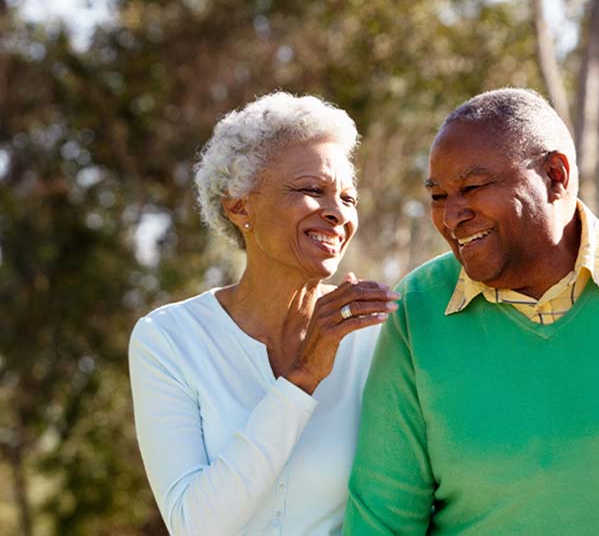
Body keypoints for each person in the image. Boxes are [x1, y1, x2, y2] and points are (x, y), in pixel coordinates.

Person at [344, 87, 599, 535]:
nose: (451, 215)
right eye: (438, 196)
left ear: (556, 176)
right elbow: (382, 521)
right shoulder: (418, 308)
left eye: (472, 188)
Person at [129, 92, 399, 536]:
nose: (336, 213)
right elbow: (195, 525)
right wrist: (303, 378)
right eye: (311, 190)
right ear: (239, 206)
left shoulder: (376, 333)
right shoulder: (167, 339)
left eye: (347, 198)